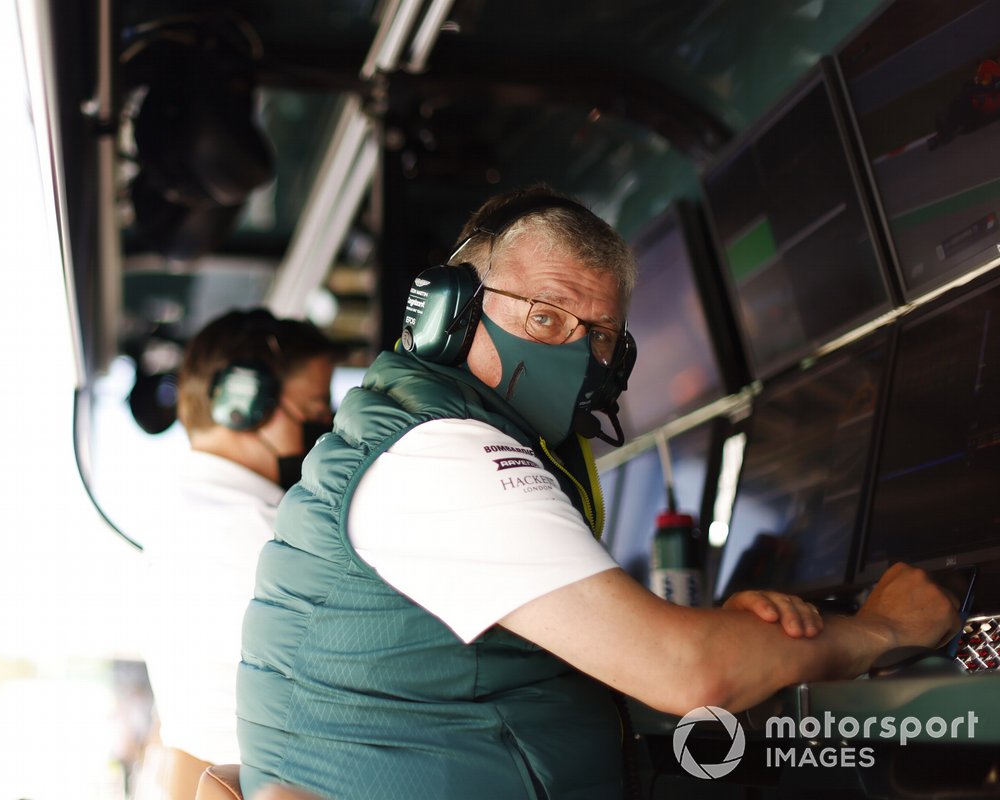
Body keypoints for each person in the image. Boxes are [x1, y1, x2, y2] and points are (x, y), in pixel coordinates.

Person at [236, 187, 960, 799]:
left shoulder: (424, 435)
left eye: (601, 335)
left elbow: (644, 657)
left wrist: (735, 636)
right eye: (544, 316)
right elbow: (689, 674)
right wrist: (881, 631)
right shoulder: (440, 454)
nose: (574, 352)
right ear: (448, 314)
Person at [139, 308, 342, 800]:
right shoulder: (270, 531)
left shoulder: (175, 519)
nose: (326, 424)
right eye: (315, 407)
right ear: (244, 403)